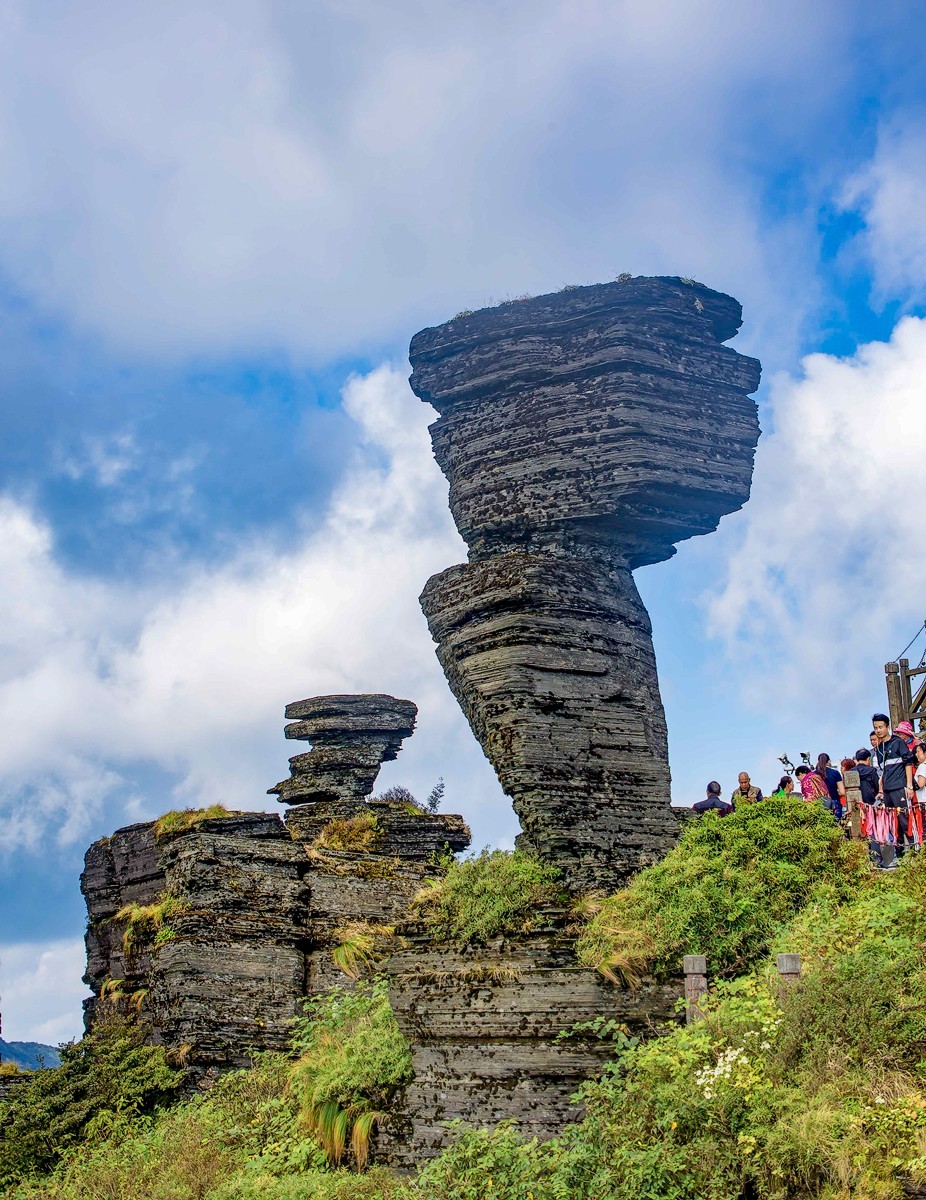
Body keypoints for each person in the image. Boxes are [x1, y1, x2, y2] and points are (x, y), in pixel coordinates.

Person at [872, 713, 916, 859]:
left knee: (905, 821)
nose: (878, 730)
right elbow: (883, 771)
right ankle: (900, 856)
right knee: (893, 824)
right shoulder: (879, 748)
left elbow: (908, 763)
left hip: (900, 788)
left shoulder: (897, 742)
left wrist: (909, 786)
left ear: (887, 727)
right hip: (887, 790)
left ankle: (916, 854)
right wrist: (881, 790)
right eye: (875, 728)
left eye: (880, 727)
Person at [816, 753, 845, 820]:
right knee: (836, 825)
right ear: (828, 761)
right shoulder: (835, 773)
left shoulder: (814, 774)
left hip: (820, 803)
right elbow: (842, 792)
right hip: (834, 802)